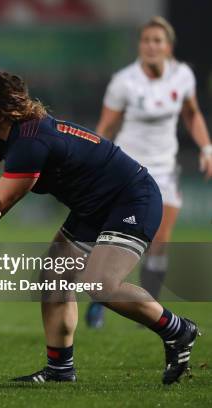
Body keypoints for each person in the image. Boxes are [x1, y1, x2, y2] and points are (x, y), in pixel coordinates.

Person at [0, 69, 199, 385]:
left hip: (131, 199)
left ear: (0, 108)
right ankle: (60, 370)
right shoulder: (3, 136)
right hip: (93, 207)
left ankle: (177, 330)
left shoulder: (29, 142)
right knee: (54, 277)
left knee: (101, 283)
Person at [85, 16, 212, 328]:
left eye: (157, 41)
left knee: (160, 240)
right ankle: (103, 296)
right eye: (146, 40)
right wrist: (94, 163)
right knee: (118, 237)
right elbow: (106, 127)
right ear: (140, 45)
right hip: (129, 169)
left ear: (168, 46)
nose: (151, 46)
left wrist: (207, 148)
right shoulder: (124, 82)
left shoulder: (182, 76)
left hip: (166, 169)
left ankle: (149, 306)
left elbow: (192, 114)